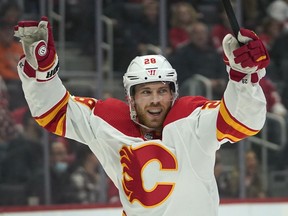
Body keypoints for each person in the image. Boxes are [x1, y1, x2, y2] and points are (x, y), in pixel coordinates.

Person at [14, 16, 269, 215]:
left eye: (162, 91)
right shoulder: (108, 122)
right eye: (146, 92)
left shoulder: (193, 119)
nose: (155, 99)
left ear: (173, 93)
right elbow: (53, 113)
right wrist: (44, 74)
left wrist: (243, 79)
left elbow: (244, 122)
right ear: (131, 97)